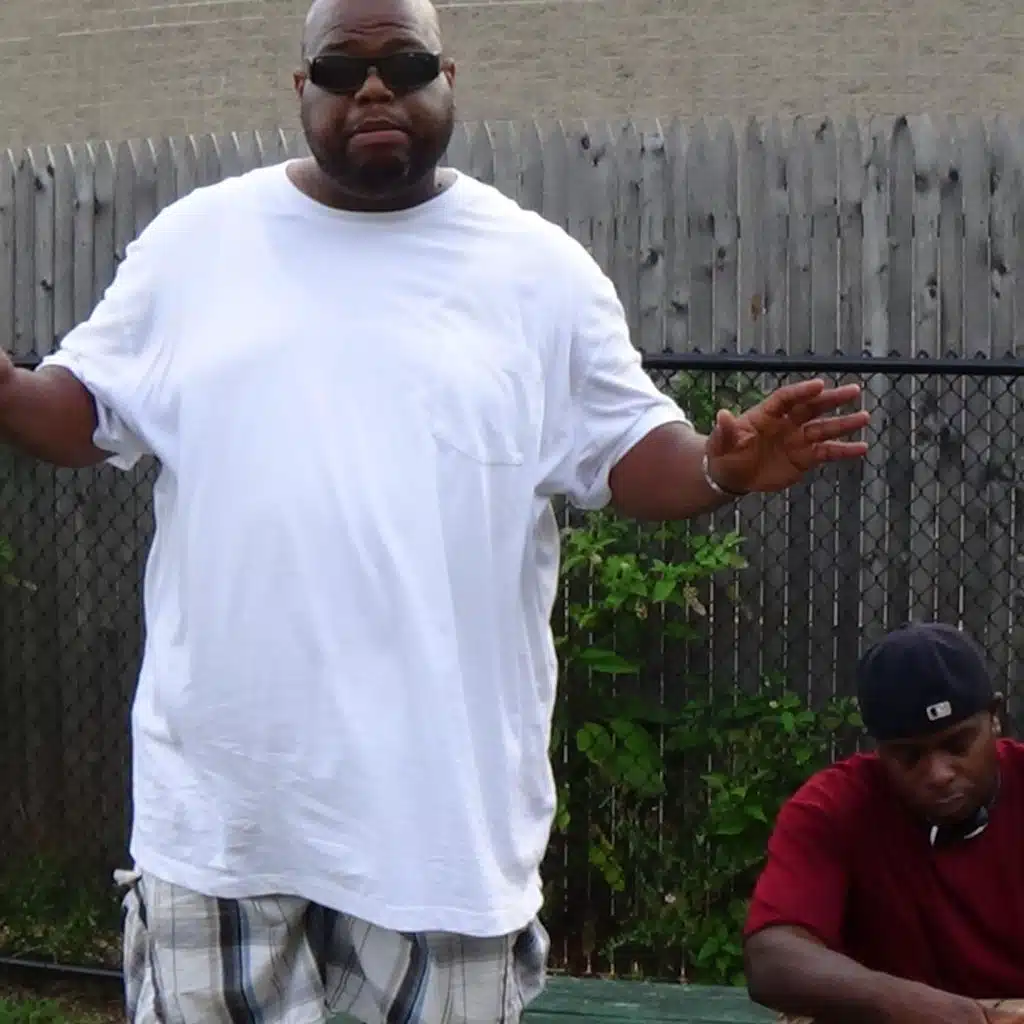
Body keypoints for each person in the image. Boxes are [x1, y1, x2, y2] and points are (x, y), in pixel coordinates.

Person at [0, 0, 868, 1019]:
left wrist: (718, 468)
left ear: (447, 79)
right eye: (342, 69)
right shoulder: (198, 245)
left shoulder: (535, 271)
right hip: (224, 821)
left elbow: (628, 450)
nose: (374, 88)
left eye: (405, 64)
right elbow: (84, 409)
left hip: (442, 834)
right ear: (302, 90)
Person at [743, 622, 1024, 1024]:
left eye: (957, 744)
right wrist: (909, 1005)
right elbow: (772, 957)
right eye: (909, 755)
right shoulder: (833, 806)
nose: (939, 774)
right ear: (879, 748)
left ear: (994, 719)